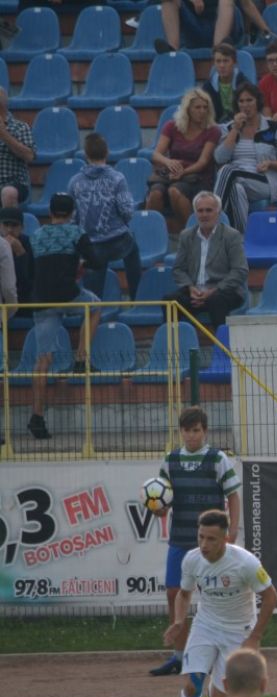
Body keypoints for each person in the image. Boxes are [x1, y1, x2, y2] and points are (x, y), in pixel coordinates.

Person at [164, 509, 276, 697]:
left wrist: (255, 637)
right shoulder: (192, 559)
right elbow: (184, 594)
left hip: (238, 631)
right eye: (201, 537)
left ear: (226, 538)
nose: (204, 544)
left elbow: (271, 597)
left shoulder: (246, 563)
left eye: (211, 539)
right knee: (191, 685)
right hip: (205, 626)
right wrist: (180, 621)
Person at [151, 406, 243, 678]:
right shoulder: (170, 461)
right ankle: (179, 656)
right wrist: (158, 510)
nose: (191, 436)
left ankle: (224, 654)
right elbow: (164, 502)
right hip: (180, 538)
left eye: (196, 430)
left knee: (219, 595)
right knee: (174, 593)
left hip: (213, 542)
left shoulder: (217, 459)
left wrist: (232, 529)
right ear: (180, 432)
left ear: (205, 431)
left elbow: (233, 495)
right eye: (187, 431)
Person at [25, 194, 100, 441]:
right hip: (69, 294)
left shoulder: (36, 235)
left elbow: (30, 271)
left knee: (42, 359)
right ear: (72, 213)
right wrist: (81, 263)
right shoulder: (76, 233)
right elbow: (96, 261)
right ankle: (81, 358)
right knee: (95, 307)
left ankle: (37, 416)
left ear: (50, 211)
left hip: (41, 300)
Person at [69, 133, 142, 302]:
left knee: (94, 296)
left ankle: (94, 308)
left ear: (86, 154)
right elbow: (127, 211)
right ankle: (136, 298)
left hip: (90, 244)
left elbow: (73, 219)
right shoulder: (118, 178)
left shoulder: (74, 182)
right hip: (118, 240)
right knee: (133, 249)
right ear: (107, 152)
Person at [213, 84, 277, 233]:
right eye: (241, 101)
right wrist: (235, 129)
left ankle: (212, 219)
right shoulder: (229, 128)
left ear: (258, 102)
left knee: (228, 170)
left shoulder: (273, 127)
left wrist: (271, 163)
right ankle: (240, 237)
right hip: (235, 178)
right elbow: (220, 158)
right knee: (236, 189)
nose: (245, 105)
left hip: (266, 181)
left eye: (249, 100)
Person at [167, 192, 249, 332]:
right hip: (195, 291)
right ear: (195, 213)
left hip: (224, 290)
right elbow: (178, 269)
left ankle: (222, 344)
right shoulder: (186, 236)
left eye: (209, 210)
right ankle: (175, 343)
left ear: (218, 213)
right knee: (170, 301)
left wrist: (213, 291)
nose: (204, 215)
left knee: (216, 301)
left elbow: (240, 270)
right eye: (200, 211)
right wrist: (190, 288)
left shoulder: (231, 236)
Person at [147, 89, 221, 223]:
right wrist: (168, 162)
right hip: (172, 174)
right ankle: (149, 230)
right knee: (155, 193)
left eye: (205, 107)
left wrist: (183, 172)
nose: (202, 111)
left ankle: (192, 229)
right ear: (188, 109)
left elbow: (203, 162)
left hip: (198, 177)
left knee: (174, 191)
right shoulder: (171, 126)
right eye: (197, 107)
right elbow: (156, 155)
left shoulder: (212, 130)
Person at [155, 0, 242, 54]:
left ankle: (219, 50)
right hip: (195, 24)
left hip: (222, 25)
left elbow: (244, 4)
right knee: (168, 1)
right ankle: (172, 51)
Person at [0, 88, 35, 208]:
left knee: (8, 192)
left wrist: (4, 135)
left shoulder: (20, 127)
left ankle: (9, 220)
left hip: (14, 183)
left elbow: (29, 156)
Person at [202, 43, 253, 125]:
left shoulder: (244, 84)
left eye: (226, 61)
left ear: (234, 62)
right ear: (214, 63)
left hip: (242, 124)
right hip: (216, 127)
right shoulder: (208, 87)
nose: (222, 65)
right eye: (218, 61)